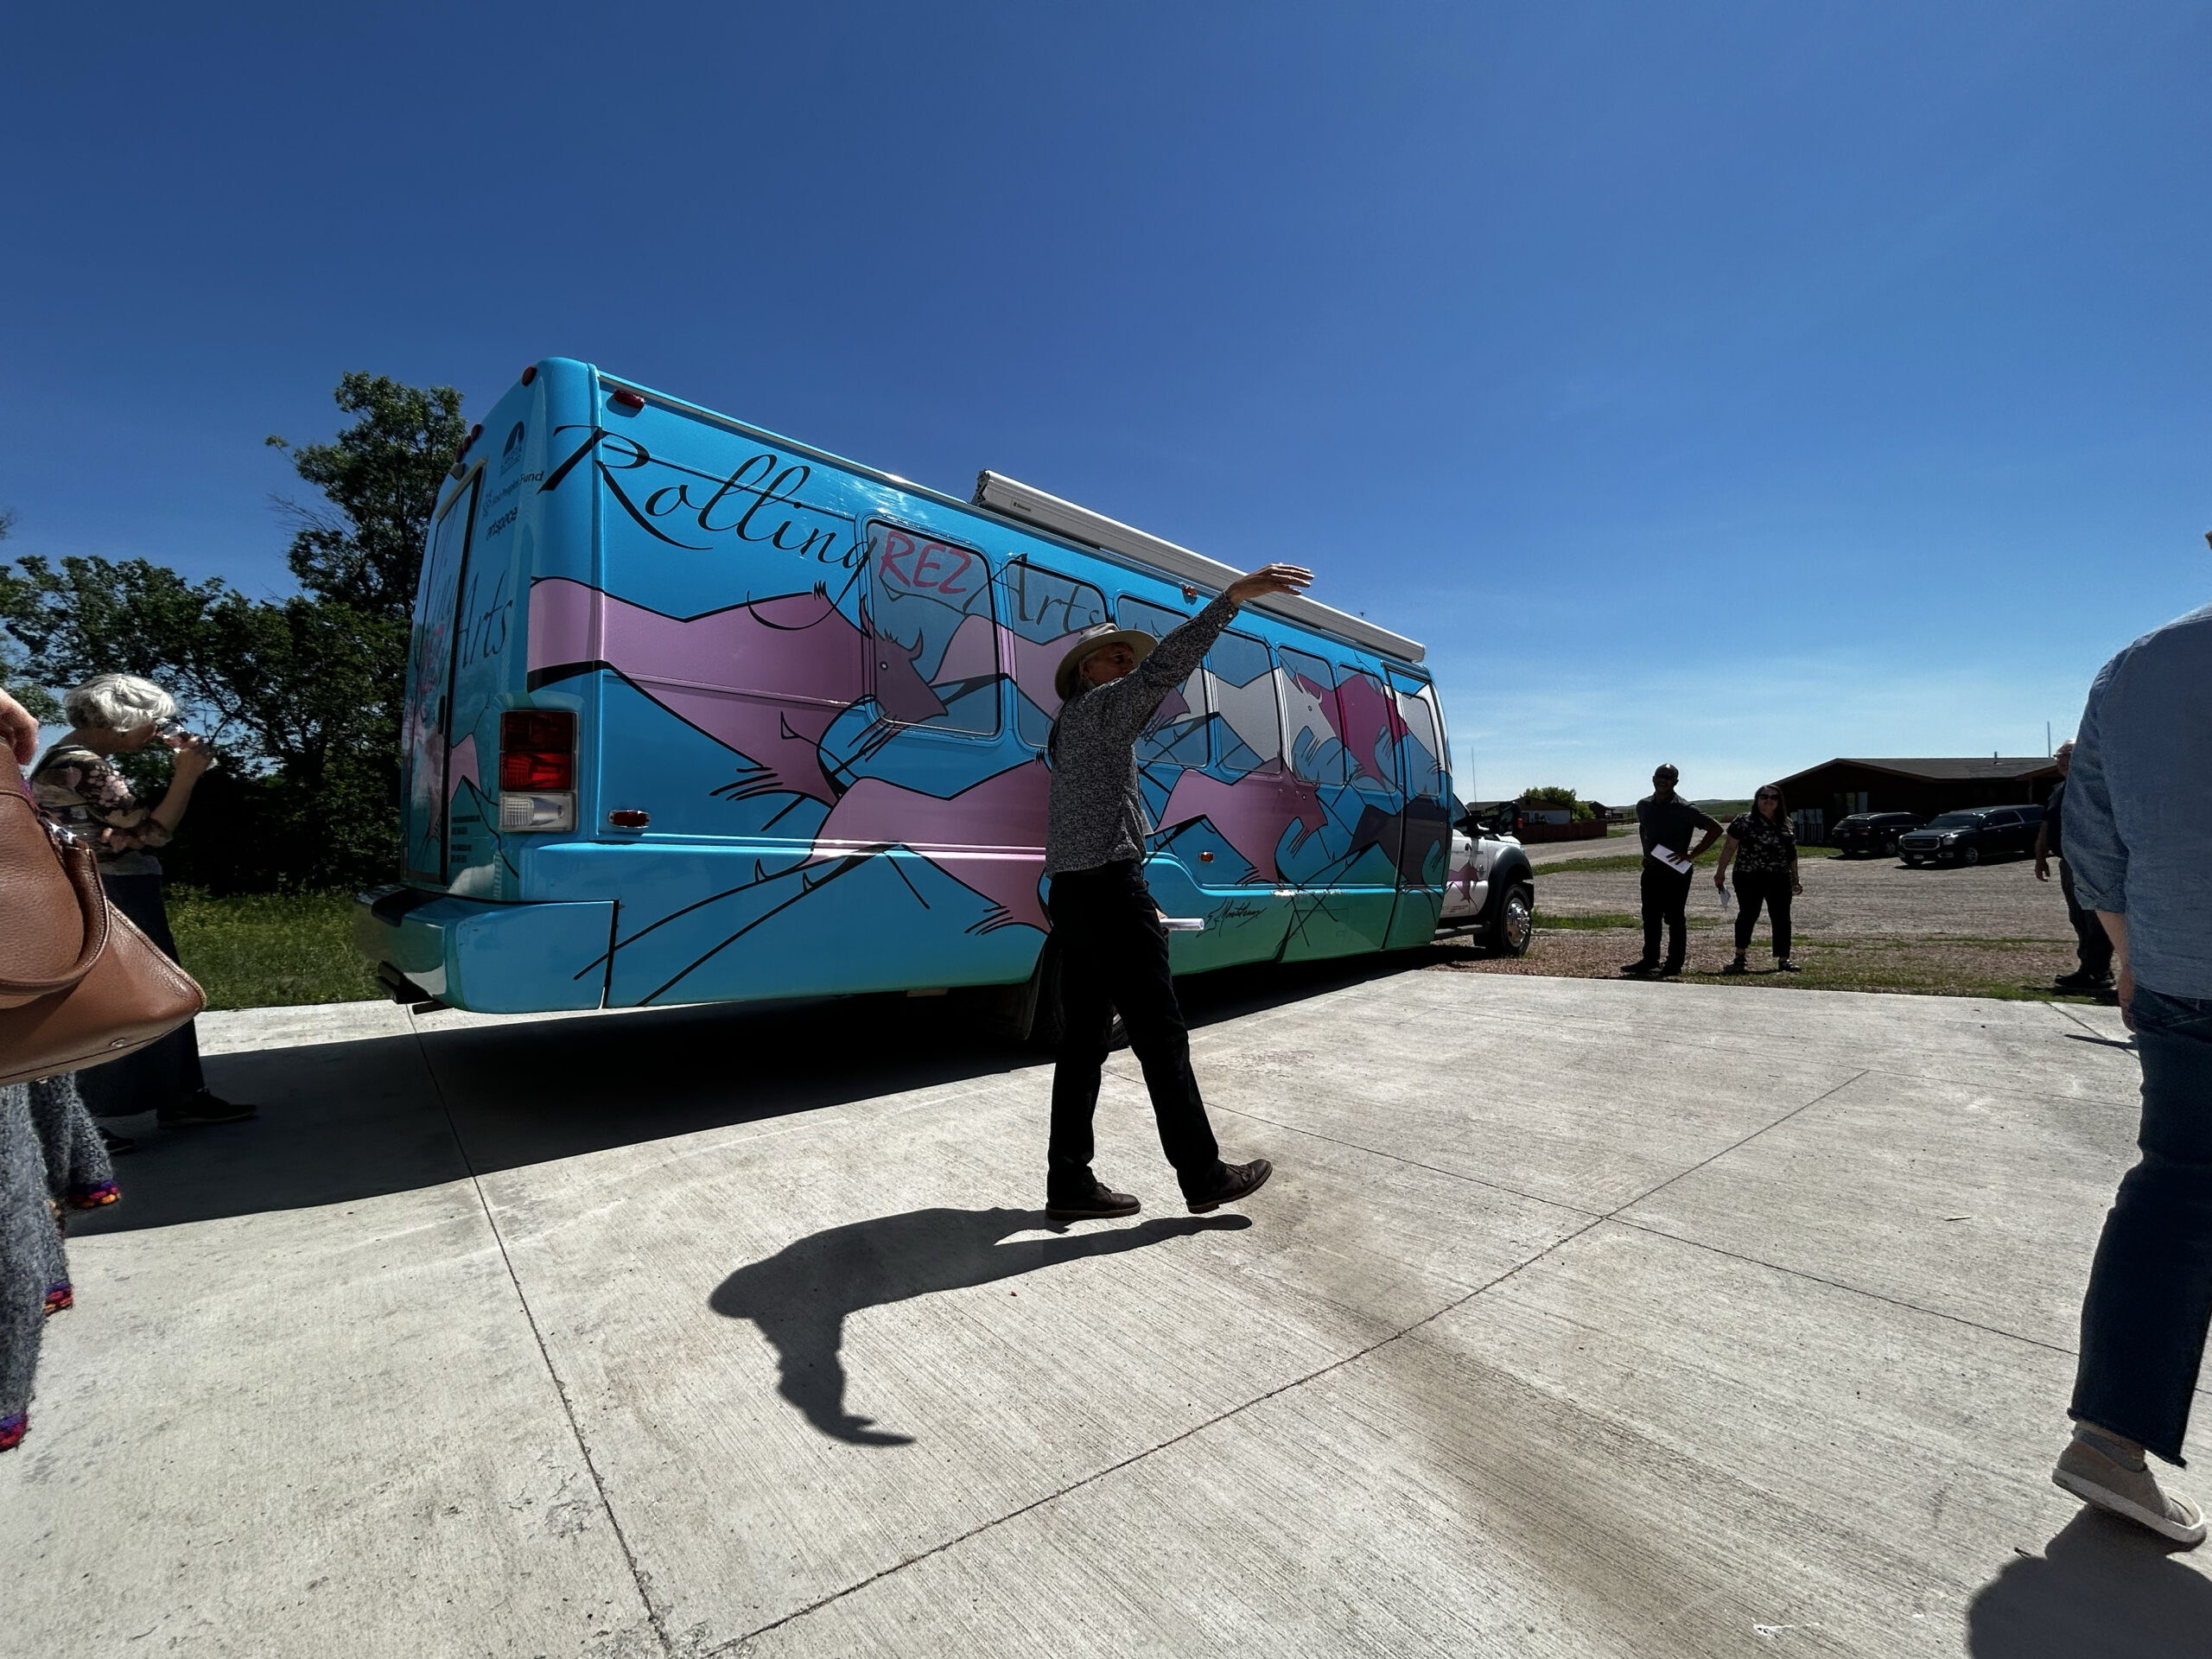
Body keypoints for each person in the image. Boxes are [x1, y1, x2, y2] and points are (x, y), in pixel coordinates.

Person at [1042, 563, 1312, 1221]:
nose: (1126, 666)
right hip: (1107, 889)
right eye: (1113, 657)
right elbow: (1165, 671)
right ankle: (1202, 1175)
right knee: (1160, 1035)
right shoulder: (1103, 710)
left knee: (1081, 1042)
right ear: (1088, 673)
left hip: (1076, 894)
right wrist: (1230, 601)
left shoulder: (1071, 725)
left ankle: (1069, 1183)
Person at [2051, 600, 2212, 1547]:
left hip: (2182, 970)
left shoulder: (2132, 669)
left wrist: (2125, 952)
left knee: (2176, 1190)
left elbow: (2092, 838)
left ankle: (2108, 1439)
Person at [29, 674, 253, 1138]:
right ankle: (123, 1111)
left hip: (92, 887)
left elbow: (128, 831)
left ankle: (174, 1097)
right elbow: (156, 832)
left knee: (142, 994)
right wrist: (187, 776)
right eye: (153, 721)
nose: (157, 731)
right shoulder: (87, 765)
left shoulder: (62, 758)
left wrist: (131, 835)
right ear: (123, 719)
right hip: (113, 890)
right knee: (147, 994)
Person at [1623, 765, 1722, 978]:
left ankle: (1674, 964)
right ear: (1653, 778)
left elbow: (1715, 829)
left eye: (1669, 777)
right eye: (1661, 776)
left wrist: (1692, 854)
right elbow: (1644, 828)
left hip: (1676, 872)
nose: (1664, 780)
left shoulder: (1685, 809)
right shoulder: (1644, 805)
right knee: (1650, 916)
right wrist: (1646, 853)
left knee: (1675, 918)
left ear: (1675, 782)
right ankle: (1650, 960)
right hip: (1651, 870)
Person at [2034, 741, 2113, 992]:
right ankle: (2087, 969)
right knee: (2078, 916)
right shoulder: (2058, 789)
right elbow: (2047, 825)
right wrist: (2040, 857)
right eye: (2059, 755)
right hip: (2067, 861)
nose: (2061, 760)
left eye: (2067, 755)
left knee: (2097, 918)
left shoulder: (2095, 785)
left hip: (2092, 861)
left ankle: (2100, 973)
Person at [1713, 784, 1802, 974]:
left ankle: (1784, 958)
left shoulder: (1786, 823)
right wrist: (1720, 872)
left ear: (1779, 801)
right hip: (1748, 876)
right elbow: (1729, 848)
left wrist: (1795, 878)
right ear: (1757, 799)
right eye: (1764, 796)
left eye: (1773, 797)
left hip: (1780, 876)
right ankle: (1740, 955)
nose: (1768, 800)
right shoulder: (1744, 821)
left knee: (1781, 917)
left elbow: (1791, 853)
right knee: (1748, 914)